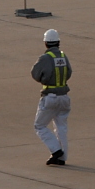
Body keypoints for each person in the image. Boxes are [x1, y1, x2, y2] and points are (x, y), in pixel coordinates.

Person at [31, 29, 72, 166]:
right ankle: (62, 158)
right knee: (61, 128)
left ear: (46, 43)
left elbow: (35, 74)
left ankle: (56, 150)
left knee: (40, 126)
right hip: (64, 97)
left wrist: (45, 79)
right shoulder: (63, 56)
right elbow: (69, 72)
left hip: (50, 97)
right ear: (58, 42)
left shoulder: (45, 58)